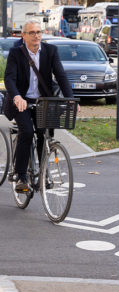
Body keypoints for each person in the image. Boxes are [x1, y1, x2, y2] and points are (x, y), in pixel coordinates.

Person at [4, 20, 74, 193]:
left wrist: (70, 98)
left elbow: (61, 75)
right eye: (32, 32)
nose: (36, 35)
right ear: (24, 35)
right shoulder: (16, 53)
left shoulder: (51, 51)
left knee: (45, 134)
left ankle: (43, 172)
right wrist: (17, 96)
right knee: (27, 131)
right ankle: (21, 176)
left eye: (39, 32)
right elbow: (9, 78)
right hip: (21, 101)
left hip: (43, 102)